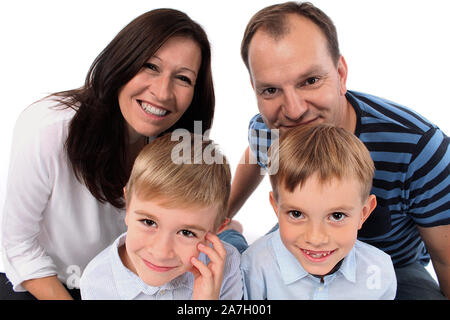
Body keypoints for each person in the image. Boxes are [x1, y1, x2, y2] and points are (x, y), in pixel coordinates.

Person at [229, 1, 449, 299]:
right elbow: (256, 152)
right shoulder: (269, 129)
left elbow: (445, 258)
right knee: (235, 267)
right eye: (270, 90)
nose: (293, 111)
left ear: (341, 74)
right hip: (304, 243)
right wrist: (223, 214)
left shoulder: (419, 148)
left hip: (394, 263)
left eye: (310, 81)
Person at [1, 8, 216, 300]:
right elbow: (17, 244)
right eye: (151, 66)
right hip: (44, 281)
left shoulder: (176, 146)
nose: (163, 93)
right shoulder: (48, 129)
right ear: (122, 62)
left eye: (183, 78)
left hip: (124, 285)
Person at [241, 124, 396, 299]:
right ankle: (232, 230)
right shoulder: (252, 267)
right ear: (276, 207)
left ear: (364, 213)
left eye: (337, 216)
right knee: (231, 242)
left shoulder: (380, 272)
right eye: (297, 214)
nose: (315, 239)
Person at [80, 133, 243, 300]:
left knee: (235, 241)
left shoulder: (227, 267)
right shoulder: (96, 283)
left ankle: (232, 230)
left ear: (215, 231)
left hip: (230, 242)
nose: (161, 252)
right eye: (148, 222)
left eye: (187, 233)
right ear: (128, 206)